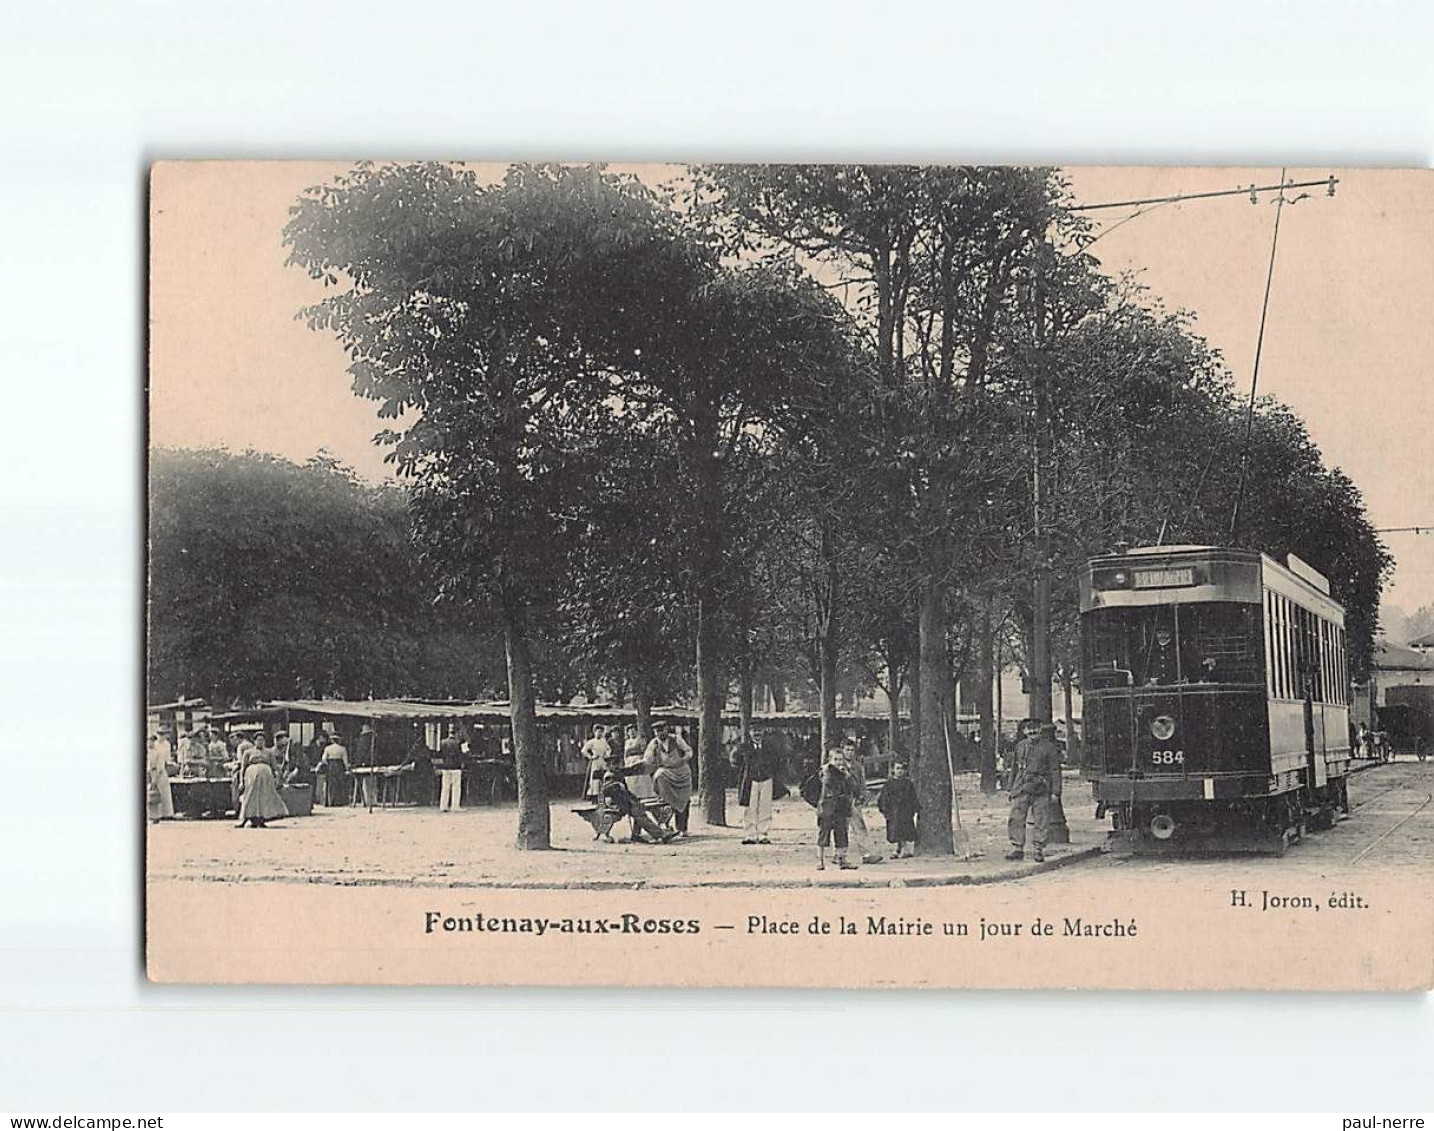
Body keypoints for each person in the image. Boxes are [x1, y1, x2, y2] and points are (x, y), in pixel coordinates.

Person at [1005, 722, 1061, 863]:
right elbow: (1014, 769)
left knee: (1041, 820)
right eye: (1029, 730)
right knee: (1016, 818)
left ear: (1040, 730)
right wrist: (1011, 788)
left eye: (1035, 729)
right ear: (1024, 731)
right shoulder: (1020, 746)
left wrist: (1056, 792)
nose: (1032, 732)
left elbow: (1055, 770)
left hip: (1041, 787)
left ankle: (1038, 849)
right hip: (1021, 786)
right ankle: (1017, 848)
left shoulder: (1048, 747)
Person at [600, 766, 677, 845]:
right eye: (613, 762)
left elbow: (626, 793)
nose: (616, 764)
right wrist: (618, 785)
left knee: (639, 809)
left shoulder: (617, 773)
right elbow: (607, 790)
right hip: (615, 804)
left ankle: (637, 834)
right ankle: (661, 834)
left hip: (624, 802)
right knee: (638, 812)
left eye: (617, 761)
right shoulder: (609, 775)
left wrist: (634, 800)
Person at [646, 722, 693, 837]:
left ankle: (682, 828)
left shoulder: (676, 739)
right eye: (657, 731)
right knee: (660, 779)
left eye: (661, 730)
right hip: (666, 771)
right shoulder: (654, 743)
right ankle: (665, 824)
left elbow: (689, 751)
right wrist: (649, 761)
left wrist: (684, 759)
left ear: (667, 729)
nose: (659, 733)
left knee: (684, 800)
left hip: (681, 772)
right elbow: (647, 758)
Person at [839, 739, 883, 864]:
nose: (849, 753)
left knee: (859, 826)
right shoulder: (837, 763)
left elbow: (862, 783)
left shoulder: (857, 766)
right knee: (841, 828)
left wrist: (863, 795)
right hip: (840, 799)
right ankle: (840, 855)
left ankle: (866, 854)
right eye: (847, 750)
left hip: (853, 799)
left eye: (852, 750)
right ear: (842, 750)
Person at [816, 750, 857, 871]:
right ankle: (820, 860)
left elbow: (854, 786)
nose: (839, 762)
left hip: (841, 807)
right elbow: (827, 783)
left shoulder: (845, 773)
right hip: (827, 807)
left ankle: (842, 858)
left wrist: (847, 775)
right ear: (830, 760)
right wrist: (829, 770)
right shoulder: (826, 772)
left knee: (842, 833)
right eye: (836, 759)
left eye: (841, 759)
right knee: (824, 834)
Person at [235, 736, 288, 828]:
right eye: (258, 740)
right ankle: (247, 819)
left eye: (262, 740)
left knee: (264, 798)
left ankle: (262, 819)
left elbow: (274, 767)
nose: (260, 742)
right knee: (250, 796)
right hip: (251, 778)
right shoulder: (248, 752)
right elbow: (243, 768)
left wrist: (277, 778)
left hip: (266, 779)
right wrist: (241, 782)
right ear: (254, 741)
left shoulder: (269, 752)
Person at [737, 735, 776, 845]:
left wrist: (770, 773)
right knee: (750, 807)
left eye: (759, 731)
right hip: (751, 780)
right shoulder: (744, 747)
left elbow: (777, 761)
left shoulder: (769, 747)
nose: (757, 734)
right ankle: (750, 835)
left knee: (765, 807)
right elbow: (735, 761)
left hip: (766, 779)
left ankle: (763, 834)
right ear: (750, 733)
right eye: (754, 731)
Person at [878, 761, 920, 858]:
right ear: (893, 769)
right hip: (893, 811)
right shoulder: (889, 784)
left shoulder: (908, 783)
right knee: (894, 830)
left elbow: (912, 797)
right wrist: (885, 809)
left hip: (905, 811)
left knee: (905, 830)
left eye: (902, 769)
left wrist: (914, 808)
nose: (900, 771)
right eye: (897, 768)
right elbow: (883, 798)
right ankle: (897, 849)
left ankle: (905, 849)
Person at [146, 732, 175, 823]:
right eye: (149, 741)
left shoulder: (158, 752)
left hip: (159, 773)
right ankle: (153, 815)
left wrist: (155, 778)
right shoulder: (147, 752)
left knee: (161, 793)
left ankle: (165, 814)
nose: (150, 743)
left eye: (152, 741)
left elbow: (160, 766)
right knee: (151, 794)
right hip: (150, 773)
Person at [622, 724, 654, 800]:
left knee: (640, 778)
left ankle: (643, 795)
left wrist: (641, 759)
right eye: (630, 732)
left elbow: (644, 751)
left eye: (633, 731)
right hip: (629, 761)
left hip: (638, 759)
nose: (632, 733)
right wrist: (625, 760)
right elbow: (625, 753)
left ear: (636, 732)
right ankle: (633, 795)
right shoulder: (627, 742)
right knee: (630, 779)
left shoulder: (640, 740)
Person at [581, 724, 613, 800]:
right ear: (594, 732)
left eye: (600, 732)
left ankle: (603, 796)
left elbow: (609, 749)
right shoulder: (591, 742)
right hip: (595, 761)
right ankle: (595, 796)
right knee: (595, 780)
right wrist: (591, 757)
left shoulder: (604, 741)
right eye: (597, 732)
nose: (599, 733)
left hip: (603, 761)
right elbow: (583, 750)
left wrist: (607, 755)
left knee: (604, 778)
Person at [320, 731, 350, 807]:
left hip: (331, 766)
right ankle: (339, 801)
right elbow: (345, 761)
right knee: (339, 784)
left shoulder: (327, 748)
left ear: (332, 740)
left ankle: (331, 801)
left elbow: (323, 759)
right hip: (339, 766)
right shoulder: (342, 749)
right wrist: (347, 769)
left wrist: (327, 764)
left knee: (330, 784)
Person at [437, 728, 464, 812]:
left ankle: (443, 806)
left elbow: (441, 754)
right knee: (456, 787)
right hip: (456, 767)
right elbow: (462, 755)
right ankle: (455, 806)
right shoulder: (458, 743)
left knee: (445, 787)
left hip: (446, 767)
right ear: (456, 733)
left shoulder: (442, 742)